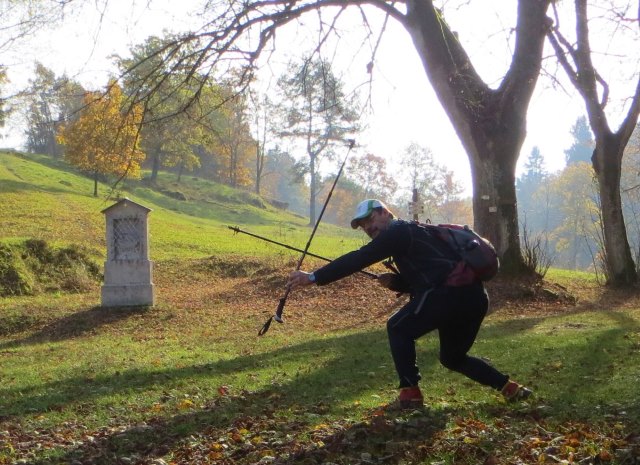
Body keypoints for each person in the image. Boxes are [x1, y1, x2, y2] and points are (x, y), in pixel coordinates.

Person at [287, 199, 532, 409]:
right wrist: (397, 282)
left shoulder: (398, 231)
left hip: (447, 296)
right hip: (474, 298)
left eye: (370, 219)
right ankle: (509, 387)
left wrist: (313, 277)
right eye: (363, 226)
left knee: (398, 327)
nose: (369, 227)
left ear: (385, 212)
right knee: (452, 358)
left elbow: (360, 258)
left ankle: (410, 394)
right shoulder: (415, 232)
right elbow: (433, 272)